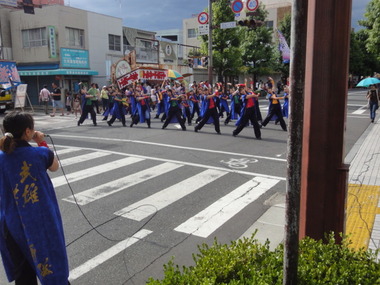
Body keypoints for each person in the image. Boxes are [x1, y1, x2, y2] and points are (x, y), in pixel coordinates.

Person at [0, 111, 70, 285]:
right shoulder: (39, 153)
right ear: (28, 131)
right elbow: (55, 167)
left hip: (10, 224)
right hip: (40, 221)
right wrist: (40, 141)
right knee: (52, 265)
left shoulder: (2, 157)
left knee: (24, 276)